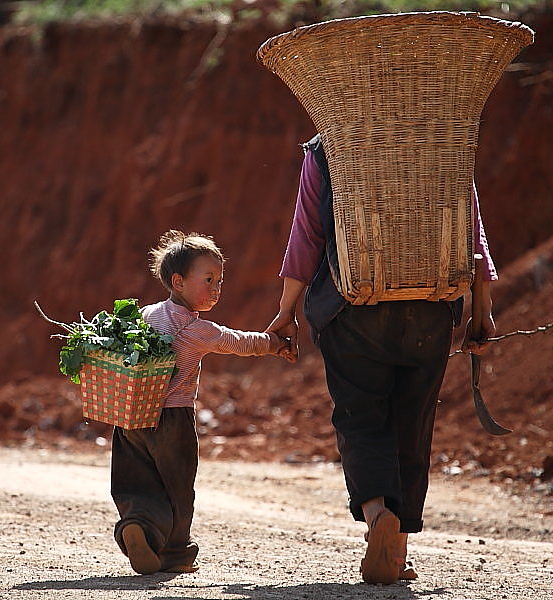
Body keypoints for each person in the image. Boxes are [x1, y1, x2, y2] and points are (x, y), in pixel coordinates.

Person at [266, 134, 497, 584]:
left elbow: (307, 238)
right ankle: (398, 552)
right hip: (431, 309)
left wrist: (286, 310)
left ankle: (378, 519)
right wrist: (483, 310)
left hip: (353, 309)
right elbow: (472, 228)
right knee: (413, 424)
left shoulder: (327, 147)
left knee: (361, 418)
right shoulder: (446, 136)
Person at [111, 230, 288, 575]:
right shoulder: (194, 329)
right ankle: (174, 552)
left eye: (220, 280)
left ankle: (138, 527)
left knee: (136, 479)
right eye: (209, 279)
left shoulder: (144, 316)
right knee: (177, 484)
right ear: (178, 282)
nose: (217, 288)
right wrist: (274, 343)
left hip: (129, 415)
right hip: (173, 419)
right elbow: (237, 342)